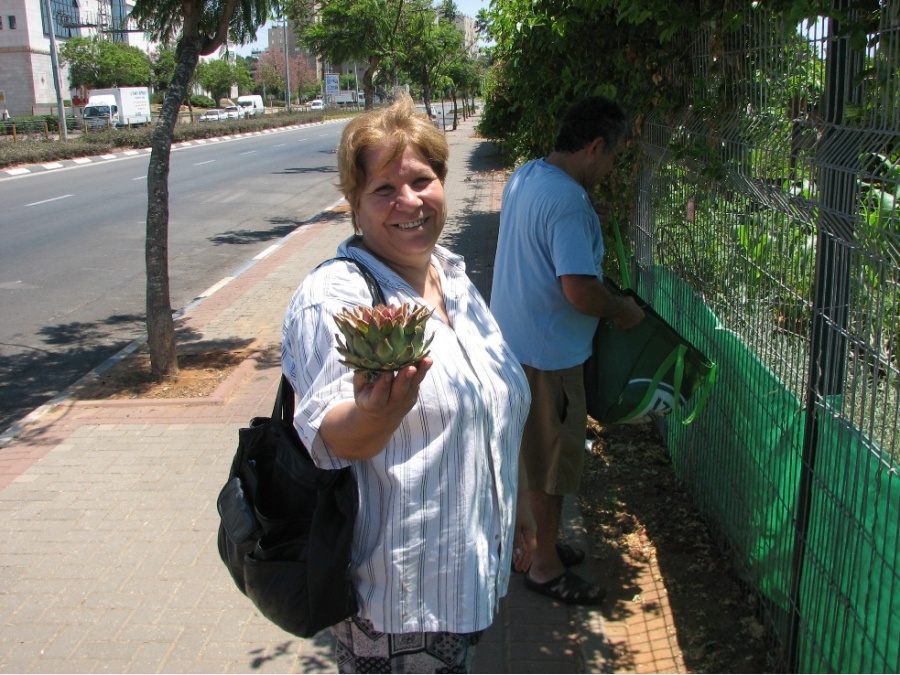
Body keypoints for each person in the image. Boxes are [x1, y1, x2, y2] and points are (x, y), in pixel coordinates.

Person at [281, 93, 536, 673]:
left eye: (422, 180)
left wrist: (517, 507)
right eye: (384, 189)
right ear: (354, 203)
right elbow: (332, 440)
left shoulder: (451, 278)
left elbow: (490, 403)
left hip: (464, 577)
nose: (409, 202)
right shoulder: (337, 298)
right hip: (397, 603)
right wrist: (377, 414)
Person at [489, 96, 645, 605]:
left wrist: (586, 216)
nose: (609, 168)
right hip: (547, 358)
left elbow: (548, 232)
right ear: (595, 146)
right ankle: (544, 566)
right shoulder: (568, 203)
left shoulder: (529, 176)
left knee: (531, 460)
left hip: (514, 345)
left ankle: (537, 545)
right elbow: (579, 289)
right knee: (551, 468)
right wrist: (620, 308)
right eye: (611, 157)